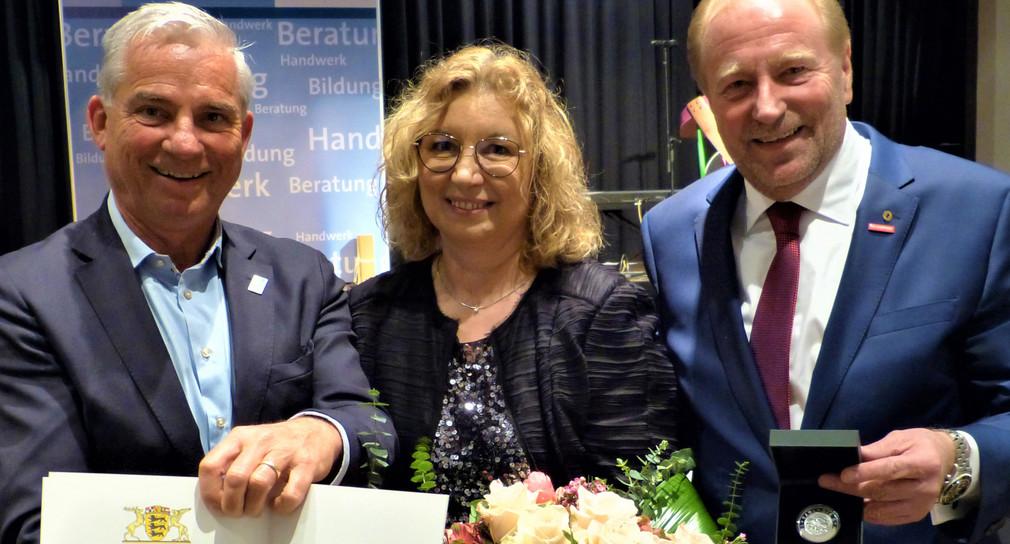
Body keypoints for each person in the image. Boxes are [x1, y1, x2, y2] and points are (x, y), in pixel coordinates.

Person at [0, 4, 395, 543]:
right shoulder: (24, 294)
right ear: (100, 122)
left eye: (212, 117)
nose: (185, 143)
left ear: (244, 133)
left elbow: (368, 425)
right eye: (154, 112)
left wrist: (319, 434)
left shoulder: (302, 274)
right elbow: (40, 519)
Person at [641, 0, 1010, 542]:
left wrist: (960, 459)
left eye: (793, 71)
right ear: (707, 101)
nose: (767, 107)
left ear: (845, 69)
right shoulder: (672, 233)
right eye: (737, 85)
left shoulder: (977, 209)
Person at [348, 43, 677, 520]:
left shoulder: (603, 313)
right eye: (442, 146)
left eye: (498, 150)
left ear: (540, 171)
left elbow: (641, 512)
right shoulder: (369, 315)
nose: (465, 173)